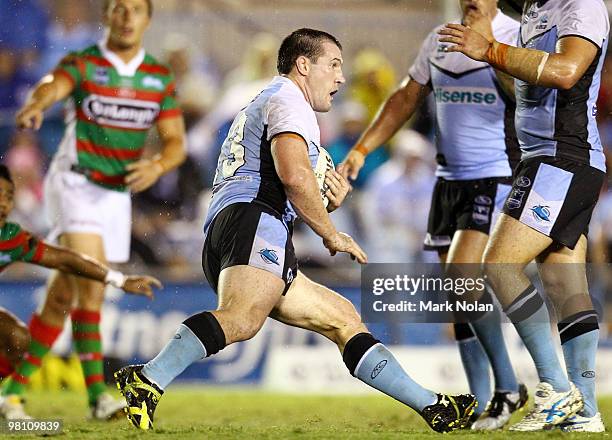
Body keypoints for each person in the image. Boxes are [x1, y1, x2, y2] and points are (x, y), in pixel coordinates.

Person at [114, 28, 476, 433]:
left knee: (343, 319)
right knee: (243, 319)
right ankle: (148, 378)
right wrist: (330, 231)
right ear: (304, 65)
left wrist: (327, 199)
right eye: (333, 65)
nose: (341, 78)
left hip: (244, 224)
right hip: (255, 219)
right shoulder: (289, 100)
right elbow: (294, 176)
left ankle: (434, 407)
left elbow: (299, 180)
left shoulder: (271, 100)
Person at [341, 0, 526, 430]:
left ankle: (508, 387)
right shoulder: (440, 39)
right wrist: (363, 148)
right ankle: (483, 402)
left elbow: (529, 100)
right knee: (457, 298)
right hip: (447, 182)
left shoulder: (516, 35)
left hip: (496, 175)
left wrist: (491, 50)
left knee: (465, 276)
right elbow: (406, 95)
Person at [3, 0, 186, 419]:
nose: (125, 16)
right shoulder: (84, 62)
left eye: (135, 9)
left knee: (63, 296)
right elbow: (52, 85)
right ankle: (97, 399)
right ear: (106, 16)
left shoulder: (157, 76)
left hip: (116, 196)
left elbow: (175, 143)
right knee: (93, 285)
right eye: (118, 8)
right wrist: (36, 104)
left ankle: (11, 391)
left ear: (147, 19)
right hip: (75, 183)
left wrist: (157, 164)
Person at [439, 0, 609, 432]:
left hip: (563, 157)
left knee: (497, 265)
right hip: (545, 159)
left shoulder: (580, 5)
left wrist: (491, 50)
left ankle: (554, 388)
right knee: (564, 284)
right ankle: (586, 410)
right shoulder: (536, 8)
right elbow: (529, 89)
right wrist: (491, 45)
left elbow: (566, 70)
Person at [0, 164, 161, 418]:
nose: (3, 205)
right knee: (79, 296)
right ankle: (96, 396)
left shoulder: (10, 237)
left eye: (8, 197)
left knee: (21, 336)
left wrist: (118, 279)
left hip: (107, 189)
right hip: (80, 179)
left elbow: (66, 259)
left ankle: (11, 394)